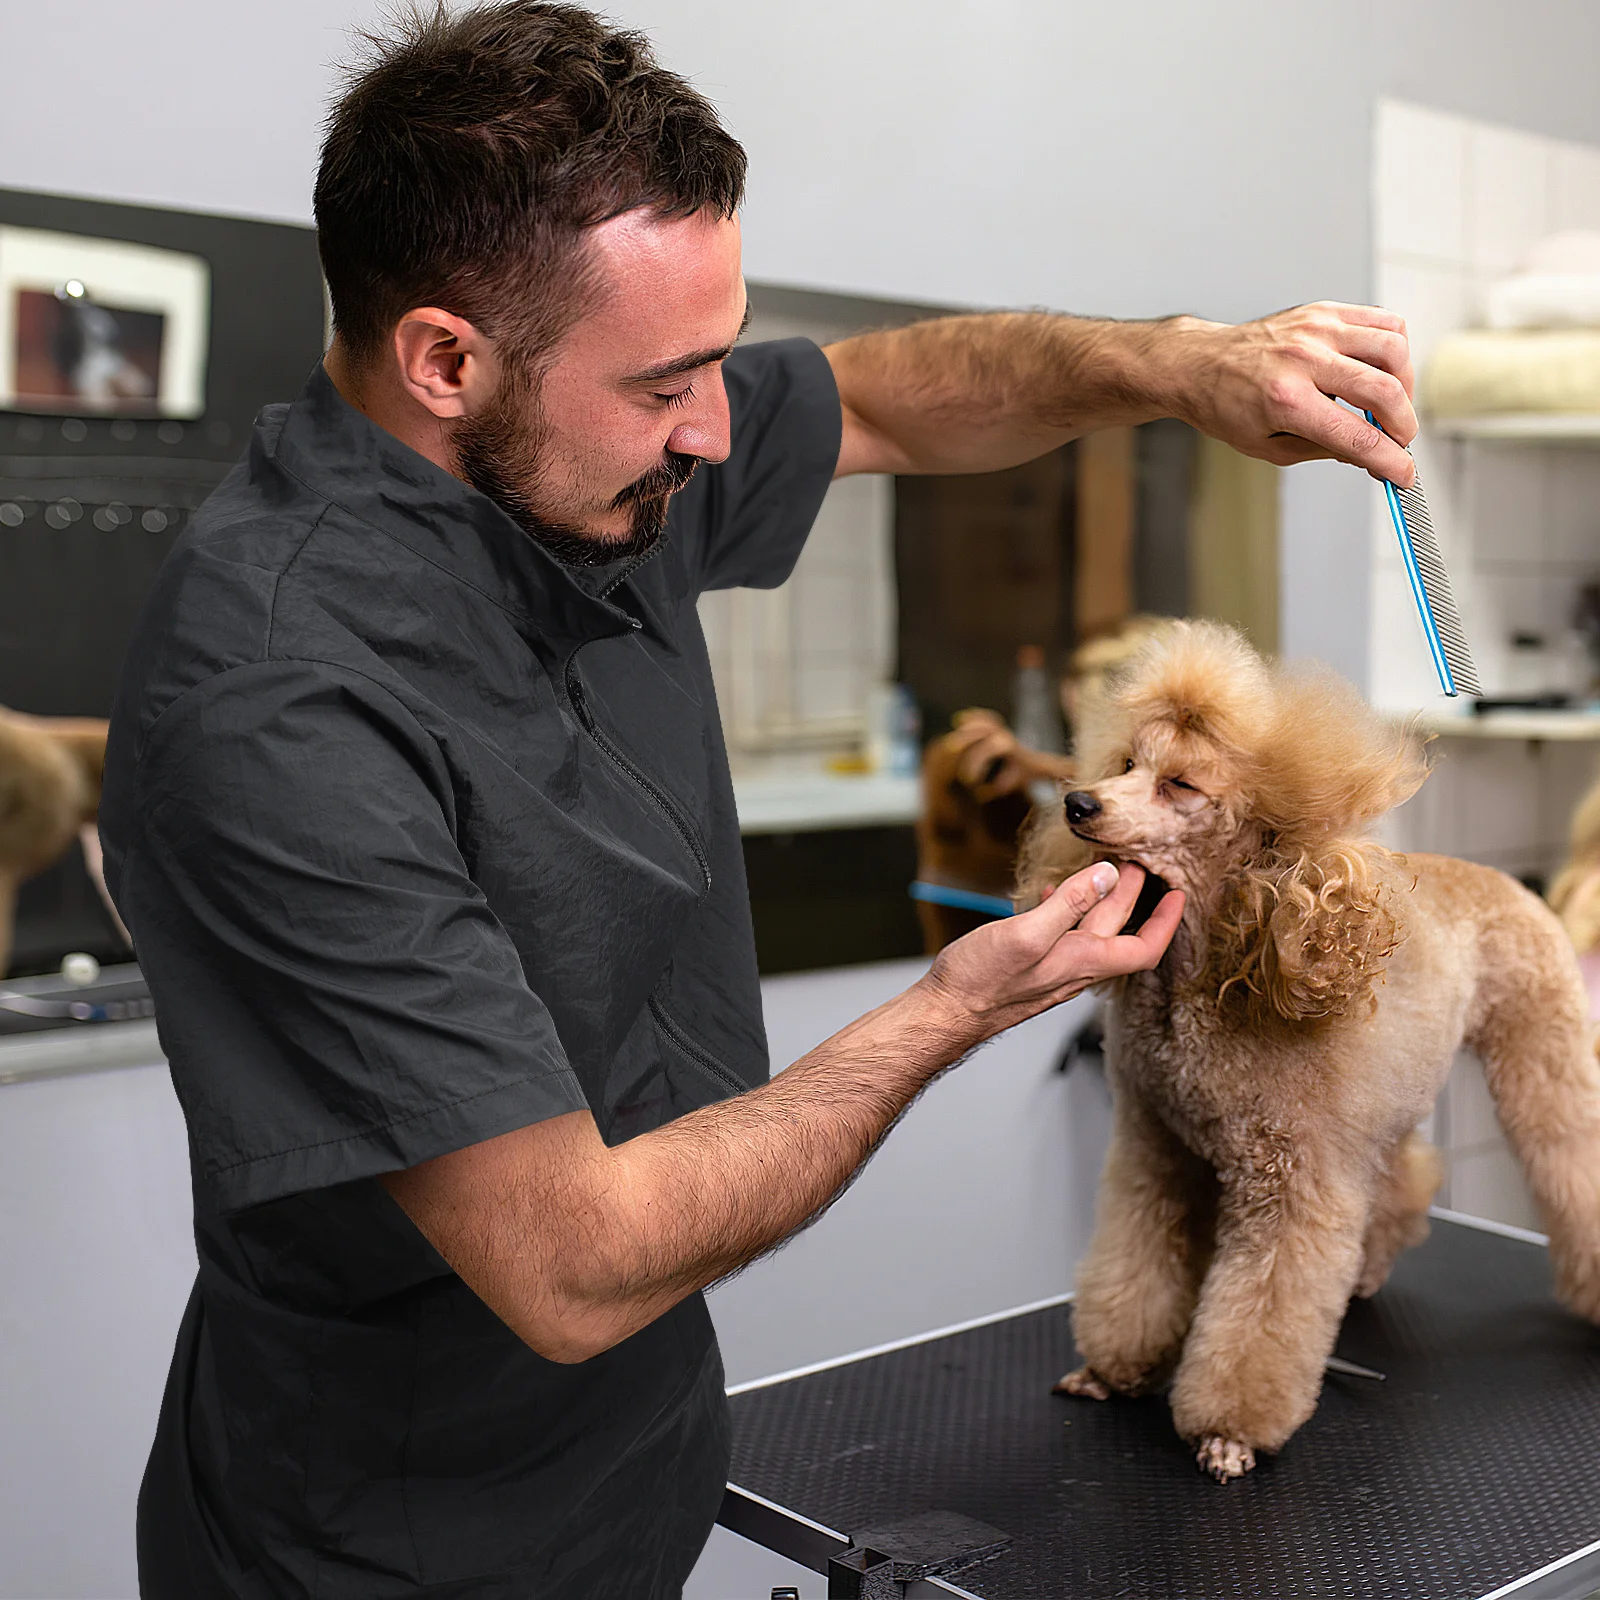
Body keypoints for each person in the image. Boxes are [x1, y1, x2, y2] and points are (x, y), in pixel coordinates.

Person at [98, 4, 1421, 1595]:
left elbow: (885, 399)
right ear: (444, 360)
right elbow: (573, 1266)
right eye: (669, 385)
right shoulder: (278, 703)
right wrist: (962, 1005)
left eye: (718, 361)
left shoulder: (584, 465)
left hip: (636, 1465)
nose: (716, 432)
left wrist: (1173, 365)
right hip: (389, 1538)